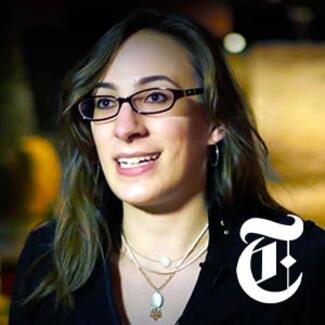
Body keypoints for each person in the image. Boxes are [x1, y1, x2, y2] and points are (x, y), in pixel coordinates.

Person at [9, 9, 325, 325]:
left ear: (216, 120)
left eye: (156, 97)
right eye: (105, 101)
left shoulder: (298, 263)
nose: (124, 128)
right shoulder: (47, 259)